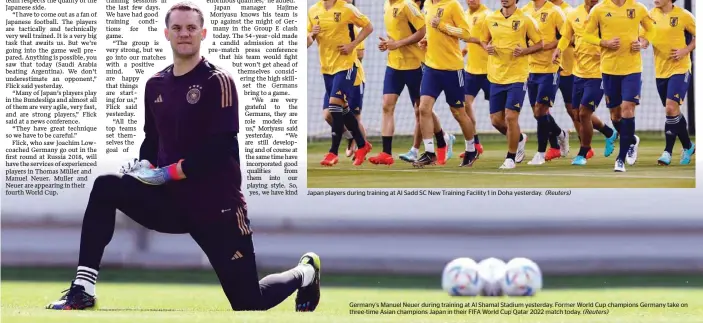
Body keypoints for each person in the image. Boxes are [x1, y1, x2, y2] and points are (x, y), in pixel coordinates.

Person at [47, 2, 321, 312]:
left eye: (191, 28)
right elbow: (152, 140)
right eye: (177, 28)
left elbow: (219, 150)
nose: (184, 33)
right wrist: (145, 166)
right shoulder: (154, 85)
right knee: (106, 187)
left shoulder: (218, 81)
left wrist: (167, 173)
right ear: (167, 34)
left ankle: (305, 272)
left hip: (216, 208)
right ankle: (82, 289)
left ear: (203, 33)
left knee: (249, 303)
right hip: (171, 203)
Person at [369, 0, 453, 165]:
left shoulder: (408, 5)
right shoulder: (386, 5)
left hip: (415, 64)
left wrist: (398, 43)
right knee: (387, 105)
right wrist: (388, 44)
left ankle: (442, 139)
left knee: (421, 109)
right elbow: (397, 34)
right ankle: (386, 153)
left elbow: (422, 31)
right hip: (394, 64)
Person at [582, 0, 656, 172]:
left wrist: (643, 42)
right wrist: (604, 42)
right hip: (609, 69)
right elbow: (587, 35)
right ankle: (631, 140)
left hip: (632, 69)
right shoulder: (599, 9)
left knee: (628, 108)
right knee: (615, 116)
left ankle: (620, 159)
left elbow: (651, 29)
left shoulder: (638, 8)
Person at [413, 0, 479, 167]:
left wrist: (443, 26)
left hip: (452, 69)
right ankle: (429, 152)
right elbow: (431, 30)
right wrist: (427, 39)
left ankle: (471, 149)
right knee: (423, 108)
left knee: (458, 113)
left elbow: (466, 33)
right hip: (431, 68)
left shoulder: (453, 5)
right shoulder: (427, 4)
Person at [308, 0, 373, 167]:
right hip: (327, 68)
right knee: (341, 109)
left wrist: (352, 45)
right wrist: (311, 36)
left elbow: (368, 27)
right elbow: (306, 43)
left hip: (346, 66)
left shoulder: (347, 9)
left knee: (334, 106)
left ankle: (333, 152)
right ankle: (362, 144)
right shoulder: (313, 10)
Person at [552, 0, 618, 165]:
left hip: (599, 72)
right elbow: (566, 35)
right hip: (578, 72)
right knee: (576, 114)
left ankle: (583, 152)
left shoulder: (607, 12)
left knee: (583, 113)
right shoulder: (574, 14)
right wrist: (558, 49)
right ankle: (609, 132)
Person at [481, 0, 543, 169]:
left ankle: (510, 157)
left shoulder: (525, 19)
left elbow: (540, 44)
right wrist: (487, 47)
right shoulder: (490, 18)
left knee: (510, 116)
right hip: (495, 76)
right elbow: (483, 40)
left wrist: (525, 51)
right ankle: (520, 138)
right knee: (495, 120)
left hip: (517, 76)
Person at [646, 0, 696, 166]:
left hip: (680, 69)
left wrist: (685, 50)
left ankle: (667, 152)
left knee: (670, 107)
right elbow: (645, 36)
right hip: (661, 70)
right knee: (673, 111)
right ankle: (688, 146)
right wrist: (641, 43)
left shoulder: (684, 16)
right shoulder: (651, 14)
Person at [522, 0, 570, 165]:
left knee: (541, 109)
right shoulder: (525, 10)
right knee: (537, 113)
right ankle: (560, 133)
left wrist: (550, 46)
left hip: (550, 69)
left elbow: (567, 35)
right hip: (530, 69)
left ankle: (540, 153)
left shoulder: (555, 11)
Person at [550, 0, 586, 156]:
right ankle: (554, 145)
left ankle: (584, 144)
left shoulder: (569, 12)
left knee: (574, 111)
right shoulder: (531, 9)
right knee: (542, 109)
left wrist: (563, 39)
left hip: (569, 69)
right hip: (547, 68)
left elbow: (576, 39)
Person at [458, 0, 491, 161]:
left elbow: (487, 40)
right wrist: (464, 51)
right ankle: (475, 143)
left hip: (490, 71)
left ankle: (518, 139)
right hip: (471, 70)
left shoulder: (487, 15)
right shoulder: (464, 14)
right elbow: (471, 42)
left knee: (501, 116)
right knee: (464, 104)